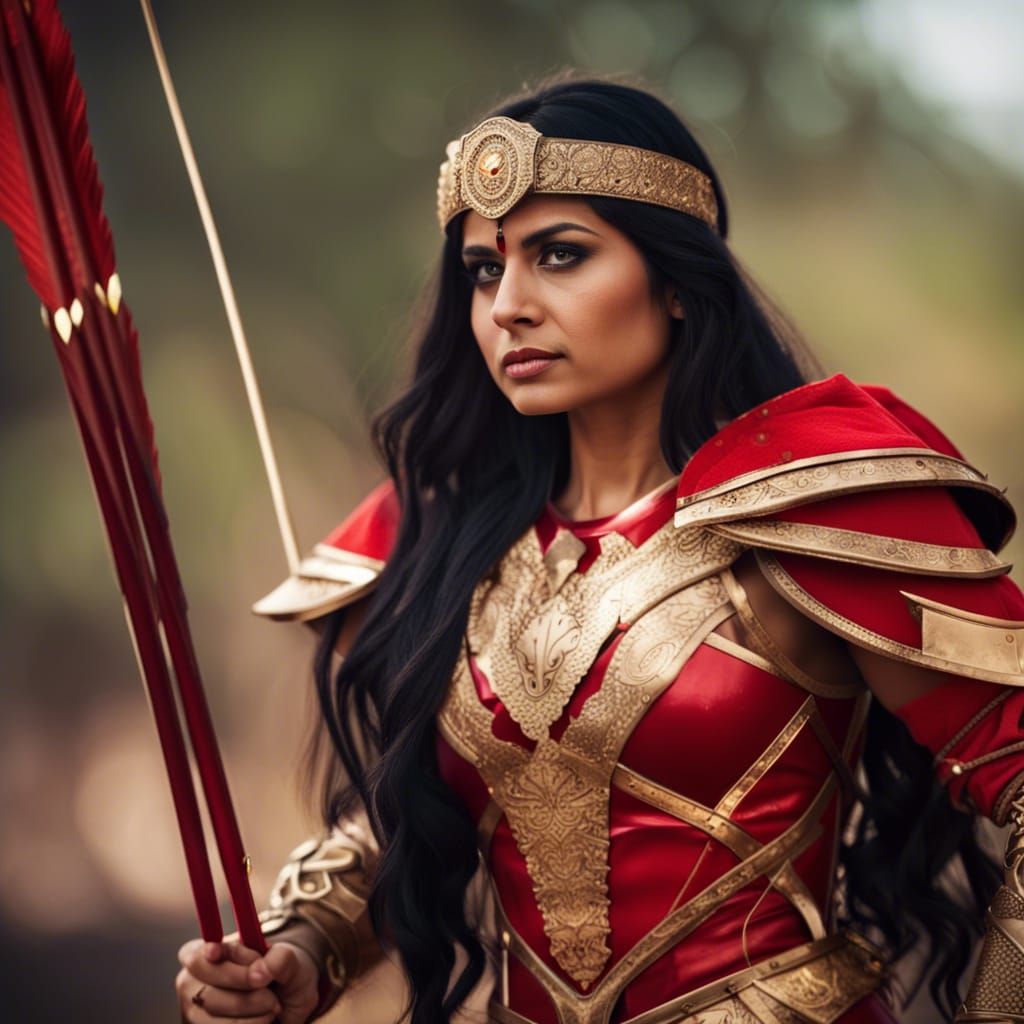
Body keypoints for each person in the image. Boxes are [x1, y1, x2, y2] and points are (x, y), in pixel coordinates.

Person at [174, 77, 1024, 1024]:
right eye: (484, 271)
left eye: (561, 255)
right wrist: (307, 946)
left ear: (676, 283)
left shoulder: (818, 510)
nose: (509, 307)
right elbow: (423, 810)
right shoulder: (443, 539)